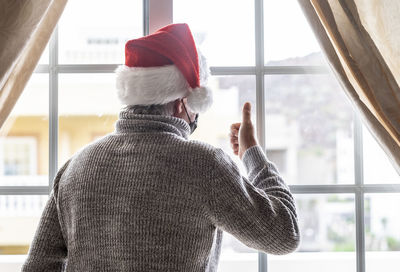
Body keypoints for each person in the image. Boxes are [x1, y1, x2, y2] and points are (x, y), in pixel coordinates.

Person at [22, 23, 300, 272]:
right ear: (182, 104)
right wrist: (252, 153)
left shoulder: (75, 167)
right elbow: (284, 234)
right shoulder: (205, 165)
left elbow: (38, 267)